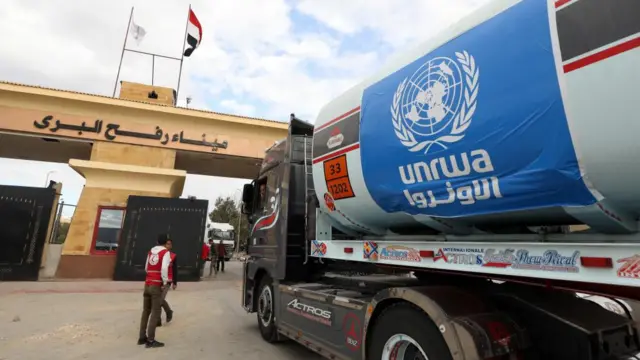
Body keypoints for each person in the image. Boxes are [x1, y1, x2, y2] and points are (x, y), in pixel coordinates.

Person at [137, 235, 171, 348]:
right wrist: (165, 282)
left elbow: (146, 267)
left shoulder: (151, 251)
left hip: (147, 283)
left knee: (146, 310)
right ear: (165, 242)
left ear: (156, 241)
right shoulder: (165, 252)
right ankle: (151, 340)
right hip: (156, 284)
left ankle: (142, 337)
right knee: (155, 311)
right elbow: (164, 268)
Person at [158, 237, 176, 327]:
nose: (168, 245)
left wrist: (175, 282)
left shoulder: (173, 256)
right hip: (158, 279)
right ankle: (158, 319)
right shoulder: (159, 254)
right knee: (157, 299)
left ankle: (168, 312)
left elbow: (175, 270)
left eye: (169, 244)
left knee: (160, 300)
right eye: (166, 244)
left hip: (167, 281)